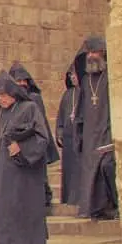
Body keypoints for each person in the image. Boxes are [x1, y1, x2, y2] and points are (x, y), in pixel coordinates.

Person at [0, 72, 50, 244]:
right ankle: (4, 242)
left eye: (4, 95)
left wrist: (22, 146)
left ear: (13, 92)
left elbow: (42, 136)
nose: (1, 99)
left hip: (21, 167)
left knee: (19, 203)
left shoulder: (29, 108)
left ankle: (23, 243)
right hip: (0, 165)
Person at [74, 36, 117, 220]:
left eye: (95, 52)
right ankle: (95, 209)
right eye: (89, 53)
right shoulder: (85, 81)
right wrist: (79, 131)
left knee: (105, 167)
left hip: (106, 129)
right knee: (91, 170)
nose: (91, 56)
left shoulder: (110, 77)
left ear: (103, 54)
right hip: (90, 132)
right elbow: (82, 107)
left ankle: (111, 206)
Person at [9, 61, 60, 209]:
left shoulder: (34, 98)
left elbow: (40, 121)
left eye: (24, 80)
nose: (22, 83)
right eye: (18, 81)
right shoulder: (11, 101)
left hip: (35, 138)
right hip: (19, 141)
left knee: (39, 170)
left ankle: (44, 198)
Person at [55, 59, 81, 206]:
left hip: (80, 138)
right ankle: (68, 198)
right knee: (69, 170)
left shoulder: (85, 92)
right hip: (68, 138)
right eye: (70, 74)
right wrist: (59, 131)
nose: (72, 77)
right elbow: (61, 116)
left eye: (75, 74)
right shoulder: (67, 95)